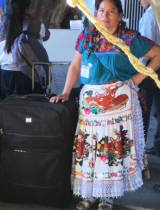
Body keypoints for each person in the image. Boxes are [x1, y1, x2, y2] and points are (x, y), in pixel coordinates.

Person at [50, 0, 160, 209]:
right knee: (90, 149)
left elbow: (158, 54)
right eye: (102, 11)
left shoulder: (129, 38)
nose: (106, 16)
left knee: (110, 149)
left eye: (111, 12)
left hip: (119, 107)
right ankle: (89, 194)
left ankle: (107, 196)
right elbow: (75, 65)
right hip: (90, 107)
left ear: (120, 16)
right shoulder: (87, 36)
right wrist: (65, 92)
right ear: (96, 13)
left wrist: (136, 80)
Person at [0, 0, 50, 137]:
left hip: (5, 77)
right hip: (31, 76)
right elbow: (46, 36)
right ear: (27, 8)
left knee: (7, 115)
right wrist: (32, 17)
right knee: (30, 115)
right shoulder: (36, 26)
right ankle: (28, 145)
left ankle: (8, 149)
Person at [138, 0, 160, 156]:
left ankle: (141, 150)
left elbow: (146, 46)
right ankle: (157, 146)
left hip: (151, 67)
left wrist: (138, 70)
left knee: (144, 107)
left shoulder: (150, 14)